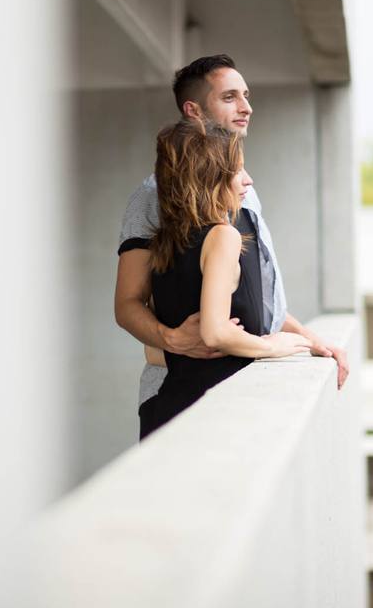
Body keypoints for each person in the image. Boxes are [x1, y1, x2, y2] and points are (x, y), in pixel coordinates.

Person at [113, 55, 349, 434]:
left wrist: (310, 340)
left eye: (246, 95)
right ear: (193, 110)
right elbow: (127, 303)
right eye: (230, 97)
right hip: (183, 391)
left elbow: (255, 299)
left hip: (244, 382)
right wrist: (172, 339)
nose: (247, 107)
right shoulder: (152, 197)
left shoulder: (241, 193)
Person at [137, 121, 311, 438]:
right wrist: (270, 346)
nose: (248, 180)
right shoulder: (222, 236)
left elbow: (153, 352)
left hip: (170, 411)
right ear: (211, 179)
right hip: (211, 414)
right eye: (237, 171)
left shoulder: (165, 240)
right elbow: (215, 332)